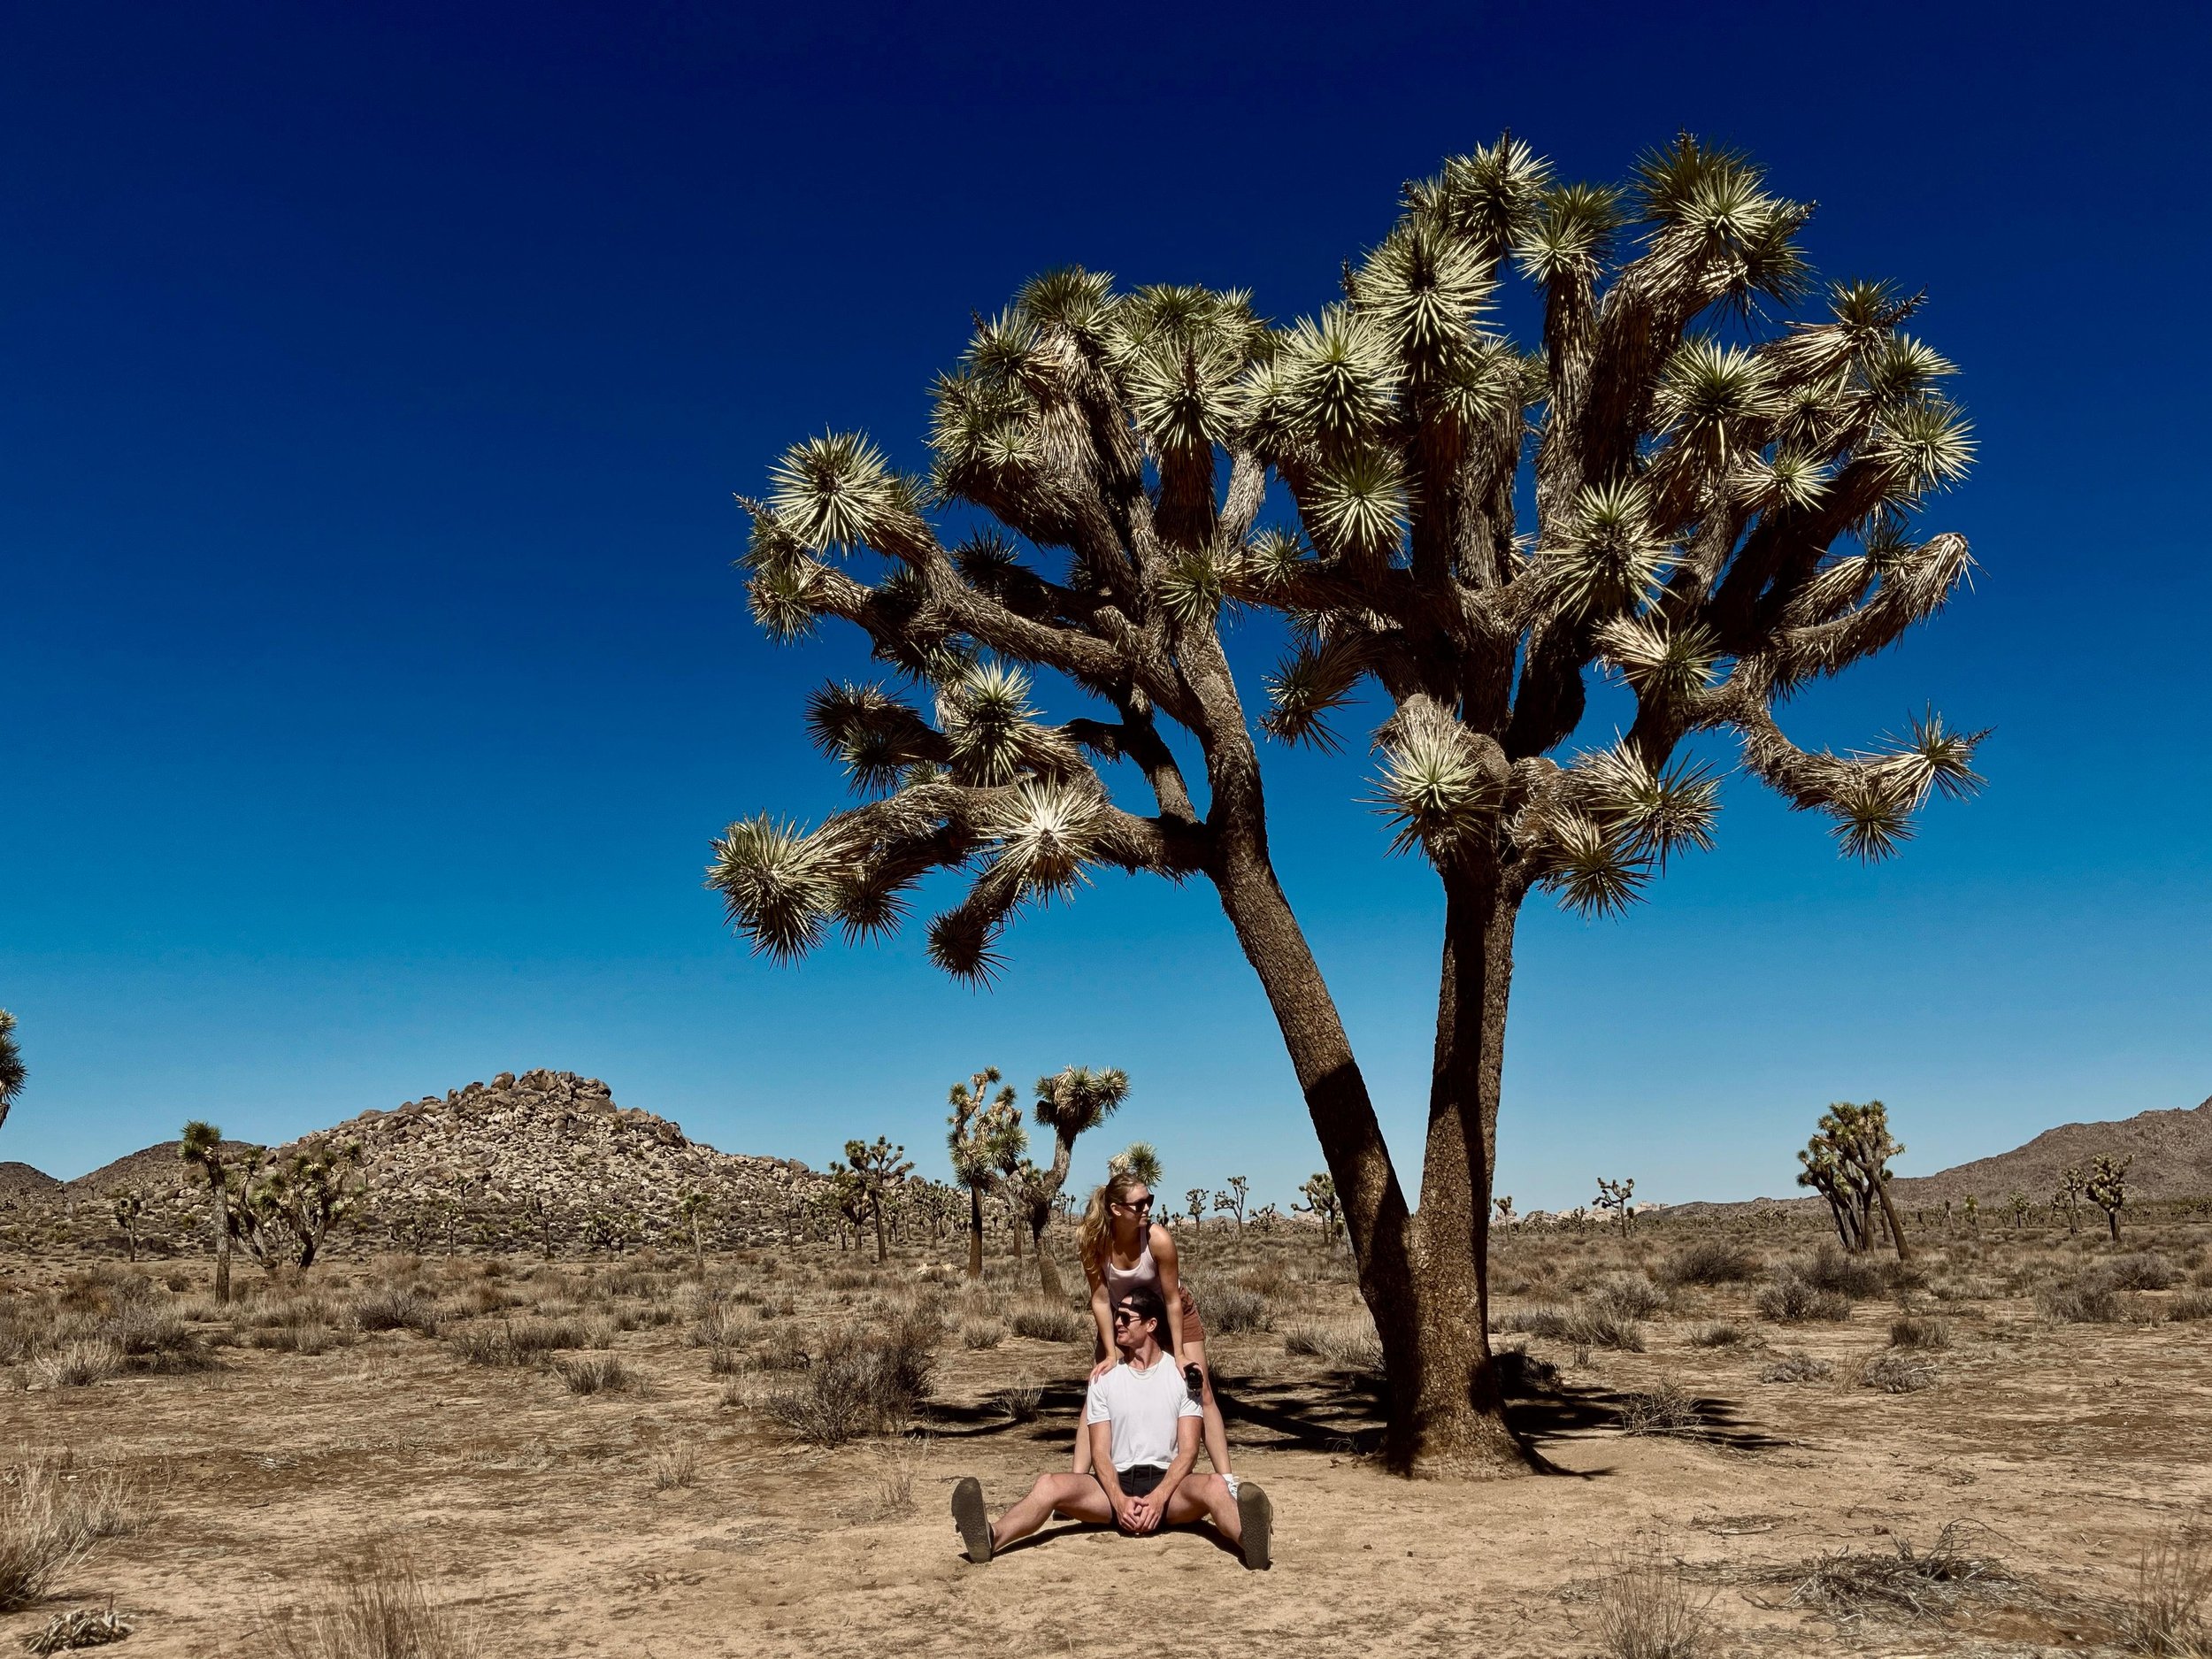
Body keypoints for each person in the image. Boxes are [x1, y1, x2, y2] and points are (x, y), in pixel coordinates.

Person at [950, 1283, 1271, 1569]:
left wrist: (1158, 1499)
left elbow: (1187, 1453)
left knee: (1215, 1486)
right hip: (1114, 1486)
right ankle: (990, 1537)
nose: (1117, 1322)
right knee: (1048, 1484)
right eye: (1116, 1315)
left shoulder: (1182, 1377)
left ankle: (1250, 1540)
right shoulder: (1105, 1379)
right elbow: (1100, 1453)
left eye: (1126, 1317)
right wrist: (1119, 1501)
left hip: (1169, 1490)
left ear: (1151, 1324)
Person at [1071, 1171, 1232, 1485]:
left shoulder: (1158, 1239)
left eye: (1150, 1200)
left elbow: (1172, 1300)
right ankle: (1075, 1483)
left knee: (1201, 1388)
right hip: (1126, 1317)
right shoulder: (1094, 1243)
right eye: (1139, 1204)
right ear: (1117, 1209)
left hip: (1171, 1312)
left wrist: (1181, 1354)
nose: (1147, 1208)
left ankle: (1227, 1482)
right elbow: (1101, 1300)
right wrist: (1108, 1353)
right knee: (1098, 1387)